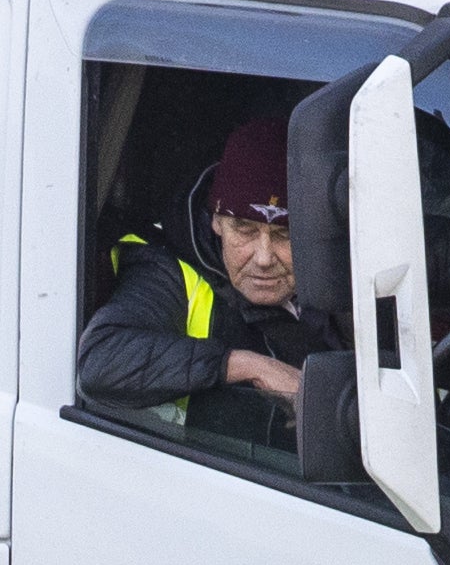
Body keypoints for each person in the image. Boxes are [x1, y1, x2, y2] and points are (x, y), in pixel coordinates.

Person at [78, 117, 337, 455]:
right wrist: (247, 366)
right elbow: (100, 361)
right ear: (216, 220)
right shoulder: (167, 268)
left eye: (283, 235)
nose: (262, 257)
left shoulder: (339, 273)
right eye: (244, 229)